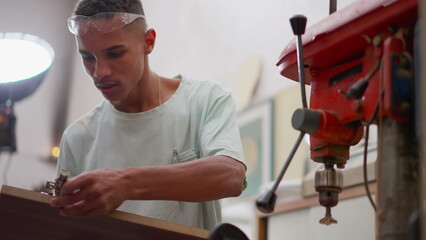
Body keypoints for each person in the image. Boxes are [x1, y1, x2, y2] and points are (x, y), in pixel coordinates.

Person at [50, 0, 247, 230]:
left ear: (148, 42)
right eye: (87, 57)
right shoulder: (77, 137)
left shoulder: (204, 100)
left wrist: (126, 185)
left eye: (115, 53)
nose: (99, 72)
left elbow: (230, 176)